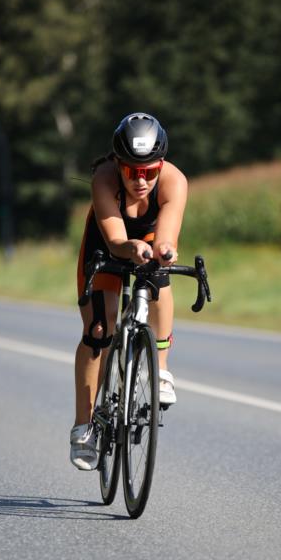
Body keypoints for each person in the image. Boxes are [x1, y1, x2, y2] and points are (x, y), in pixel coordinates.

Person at [70, 113, 188, 470]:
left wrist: (163, 251)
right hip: (107, 244)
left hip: (149, 238)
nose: (141, 180)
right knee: (99, 333)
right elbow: (117, 239)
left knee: (159, 273)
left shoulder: (175, 182)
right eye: (132, 171)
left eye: (149, 171)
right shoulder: (104, 179)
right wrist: (129, 248)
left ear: (161, 165)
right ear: (118, 164)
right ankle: (83, 426)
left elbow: (166, 237)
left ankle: (161, 368)